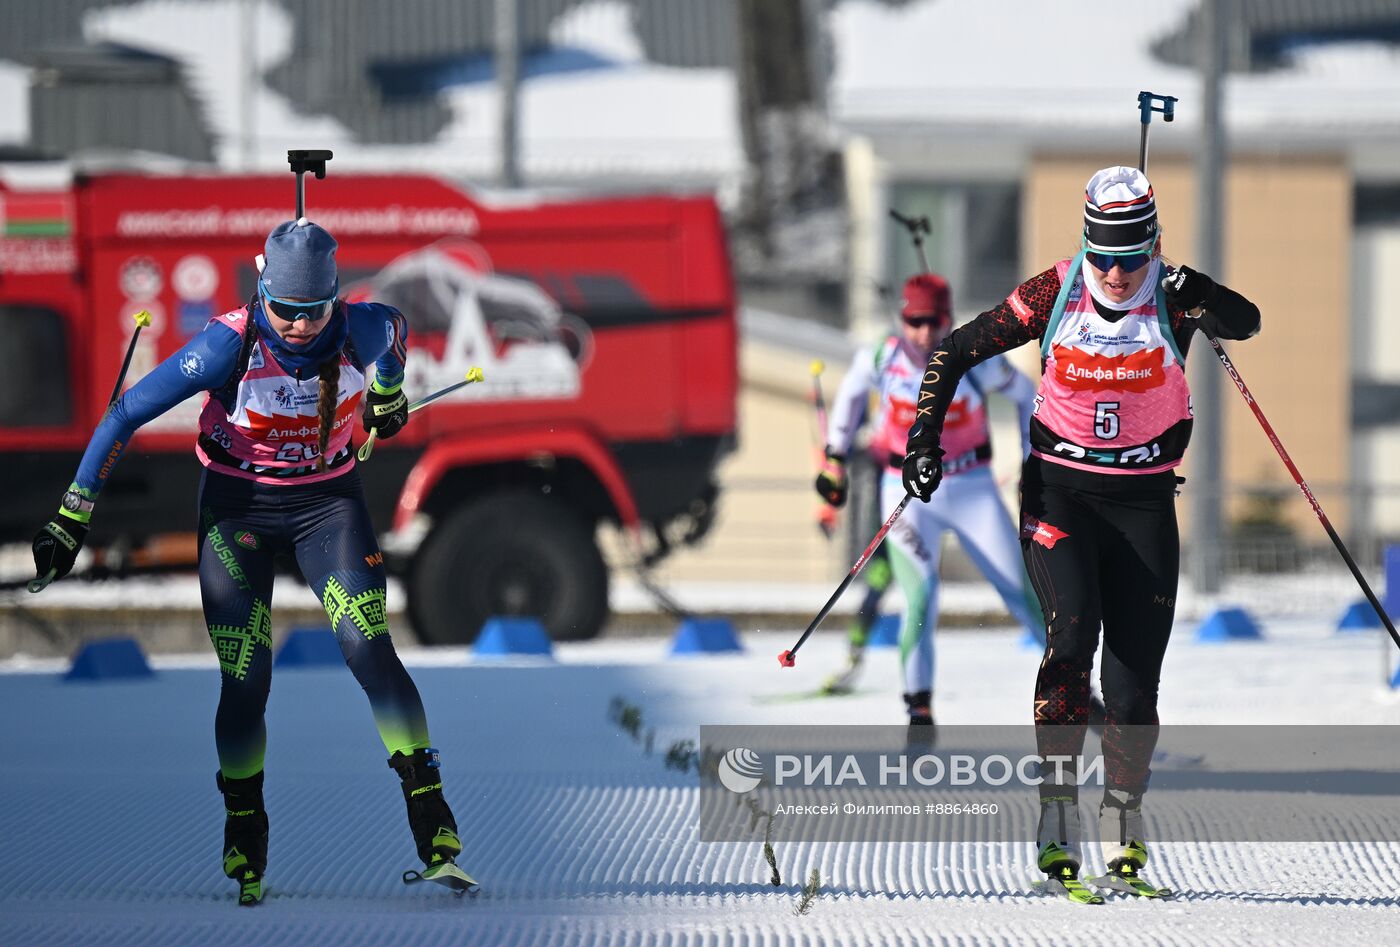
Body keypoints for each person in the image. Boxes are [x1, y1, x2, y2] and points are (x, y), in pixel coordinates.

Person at [29, 218, 473, 904]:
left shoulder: (364, 326)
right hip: (238, 511)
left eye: (312, 311)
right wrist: (70, 517)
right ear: (261, 290)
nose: (297, 326)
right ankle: (244, 823)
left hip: (328, 506)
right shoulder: (227, 344)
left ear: (335, 299)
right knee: (246, 677)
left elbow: (396, 340)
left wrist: (387, 397)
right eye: (283, 311)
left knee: (369, 647)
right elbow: (122, 415)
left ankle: (430, 808)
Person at [901, 167, 1260, 900]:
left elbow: (1246, 321)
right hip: (1059, 492)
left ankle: (1124, 817)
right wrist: (922, 441)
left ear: (1153, 245)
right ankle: (1057, 812)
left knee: (1132, 688)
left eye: (1132, 255)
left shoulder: (1171, 291)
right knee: (1070, 640)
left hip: (1144, 504)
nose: (1117, 272)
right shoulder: (1054, 292)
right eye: (1103, 254)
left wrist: (1198, 290)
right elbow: (954, 351)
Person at [815, 272, 1045, 738]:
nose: (923, 333)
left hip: (971, 488)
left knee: (1024, 595)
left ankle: (1080, 693)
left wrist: (1031, 461)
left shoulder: (974, 358)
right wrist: (834, 460)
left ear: (948, 319)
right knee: (919, 599)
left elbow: (1028, 396)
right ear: (902, 319)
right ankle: (919, 716)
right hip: (907, 494)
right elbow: (850, 399)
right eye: (914, 321)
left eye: (933, 321)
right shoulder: (882, 357)